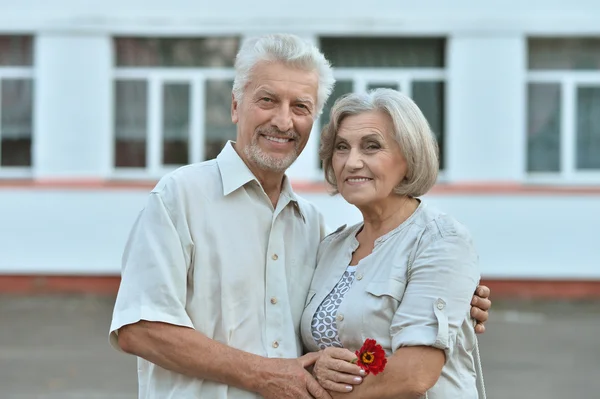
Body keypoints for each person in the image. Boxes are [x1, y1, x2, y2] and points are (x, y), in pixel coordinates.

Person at [109, 34, 491, 399]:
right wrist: (266, 374)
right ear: (235, 105)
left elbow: (361, 317)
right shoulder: (180, 197)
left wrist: (453, 297)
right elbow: (140, 329)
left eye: (300, 107)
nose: (283, 121)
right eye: (267, 100)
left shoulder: (312, 227)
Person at [301, 88, 486, 398]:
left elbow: (413, 374)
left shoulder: (441, 240)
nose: (352, 162)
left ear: (409, 156)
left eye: (371, 147)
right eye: (342, 147)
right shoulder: (330, 246)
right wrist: (313, 367)